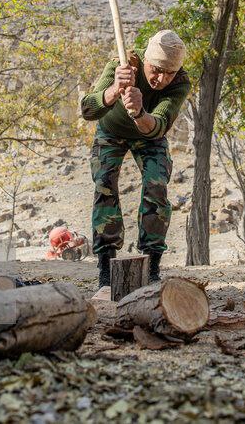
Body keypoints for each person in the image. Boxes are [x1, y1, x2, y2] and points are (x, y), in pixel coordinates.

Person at [79, 30, 191, 294]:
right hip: (111, 131)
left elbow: (159, 124)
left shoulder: (180, 83)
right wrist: (114, 90)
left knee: (157, 185)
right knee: (105, 184)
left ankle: (152, 266)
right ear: (147, 61)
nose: (161, 79)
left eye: (169, 73)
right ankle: (106, 267)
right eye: (156, 70)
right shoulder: (123, 64)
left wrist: (140, 113)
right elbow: (87, 110)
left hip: (149, 134)